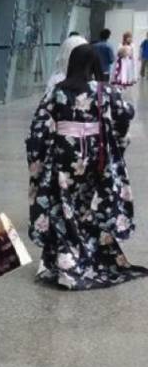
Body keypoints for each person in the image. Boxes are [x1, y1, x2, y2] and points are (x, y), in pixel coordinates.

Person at [26, 43, 147, 290]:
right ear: (94, 65)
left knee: (65, 208)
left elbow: (38, 126)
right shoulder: (104, 90)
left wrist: (37, 159)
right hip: (95, 157)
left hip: (64, 157)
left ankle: (67, 261)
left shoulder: (57, 91)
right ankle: (91, 255)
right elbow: (126, 113)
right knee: (91, 207)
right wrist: (116, 139)